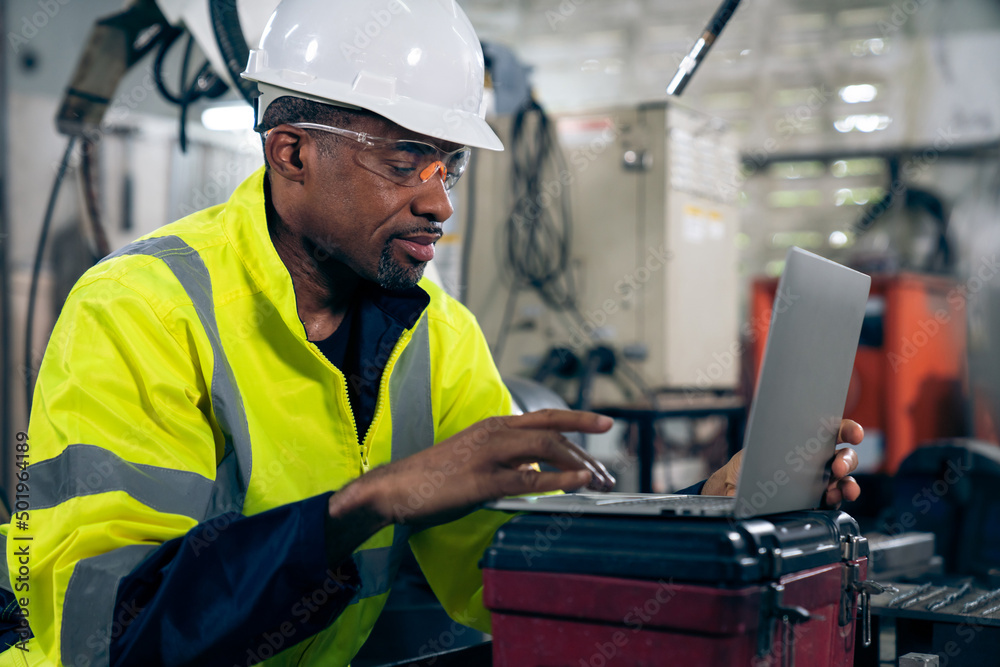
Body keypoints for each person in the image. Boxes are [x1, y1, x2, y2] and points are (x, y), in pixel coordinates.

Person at [1, 1, 862, 665]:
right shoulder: (140, 309)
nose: (440, 201)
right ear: (291, 153)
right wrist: (372, 501)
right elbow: (114, 632)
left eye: (447, 165)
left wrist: (702, 516)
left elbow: (514, 567)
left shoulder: (435, 331)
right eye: (405, 159)